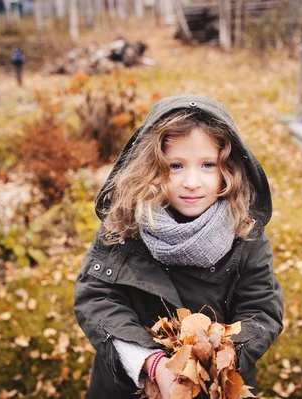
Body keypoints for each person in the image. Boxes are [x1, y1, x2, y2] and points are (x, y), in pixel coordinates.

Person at [74, 94, 284, 398]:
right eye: (176, 165)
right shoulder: (125, 224)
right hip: (125, 385)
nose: (192, 182)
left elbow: (261, 308)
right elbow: (96, 296)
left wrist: (216, 363)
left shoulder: (246, 233)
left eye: (208, 164)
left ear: (230, 169)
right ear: (150, 166)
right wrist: (151, 363)